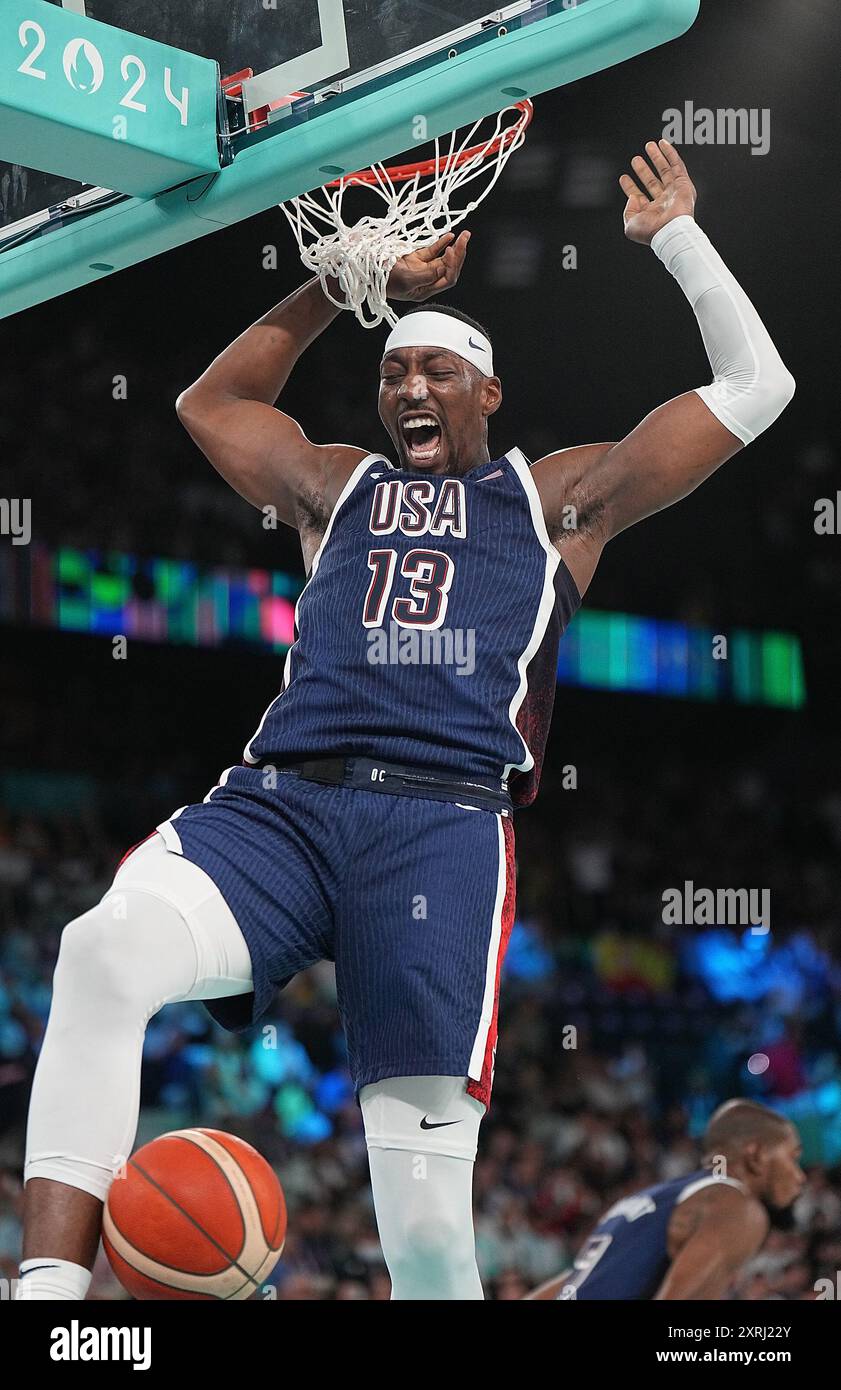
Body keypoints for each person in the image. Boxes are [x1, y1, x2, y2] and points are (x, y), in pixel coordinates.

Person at [18, 140, 795, 1300]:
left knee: (427, 1234)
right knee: (99, 951)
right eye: (394, 375)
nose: (411, 389)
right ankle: (47, 1304)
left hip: (440, 828)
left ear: (488, 393)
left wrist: (676, 236)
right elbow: (210, 404)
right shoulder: (336, 483)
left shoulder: (557, 497)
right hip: (281, 801)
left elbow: (756, 390)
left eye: (437, 372)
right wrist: (345, 287)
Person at [525, 1100, 805, 1300]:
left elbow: (571, 1283)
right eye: (793, 1158)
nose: (800, 1176)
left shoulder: (649, 1197)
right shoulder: (738, 1207)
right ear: (755, 1154)